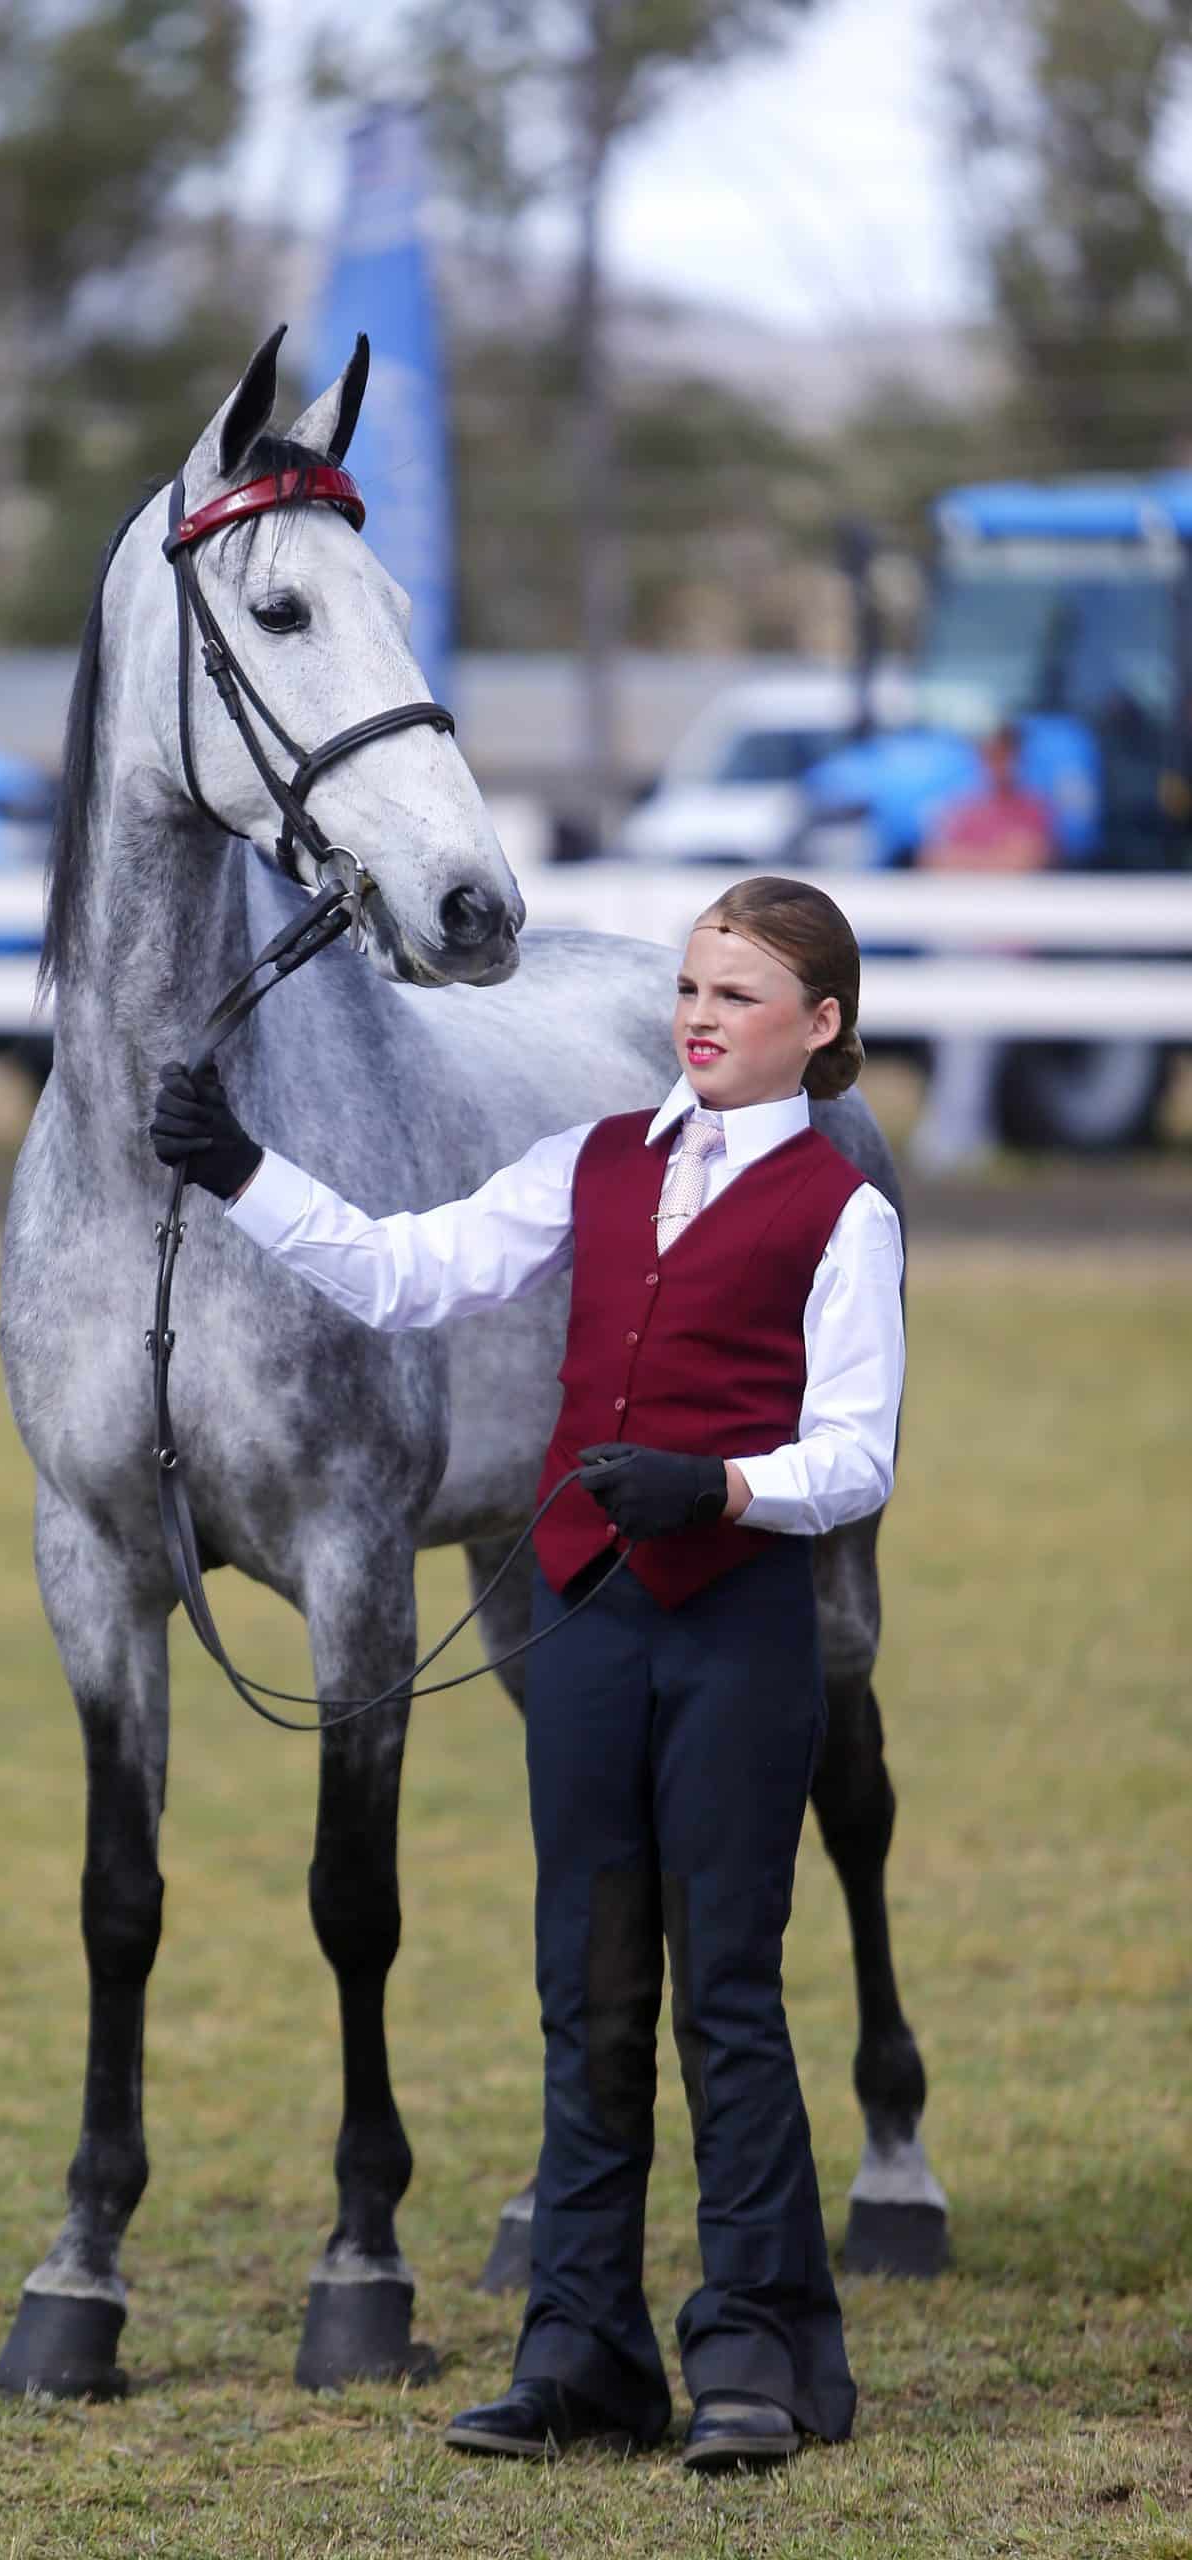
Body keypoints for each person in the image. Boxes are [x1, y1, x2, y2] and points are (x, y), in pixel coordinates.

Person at [152, 875, 905, 2474]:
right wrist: (236, 1174)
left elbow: (853, 1455)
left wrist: (718, 1490)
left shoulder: (839, 1213)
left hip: (728, 1627)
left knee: (721, 1999)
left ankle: (756, 2352)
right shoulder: (590, 1162)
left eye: (738, 998)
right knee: (583, 1990)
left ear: (817, 1029)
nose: (697, 1018)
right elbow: (401, 1270)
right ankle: (578, 2354)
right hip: (582, 1618)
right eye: (691, 989)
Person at [910, 719, 1056, 1173]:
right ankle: (958, 1134)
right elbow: (932, 861)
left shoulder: (1031, 810)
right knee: (957, 1036)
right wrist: (986, 864)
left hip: (1002, 949)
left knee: (972, 1040)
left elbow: (1023, 862)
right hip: (962, 944)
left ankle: (958, 1136)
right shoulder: (963, 809)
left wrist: (968, 865)